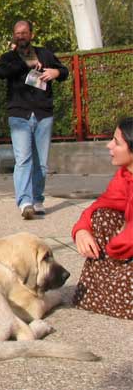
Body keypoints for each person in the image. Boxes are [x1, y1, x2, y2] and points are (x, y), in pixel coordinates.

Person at [0, 20, 69, 220]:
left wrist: (56, 72)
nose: (21, 36)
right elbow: (0, 72)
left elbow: (64, 72)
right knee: (23, 159)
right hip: (19, 115)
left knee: (41, 163)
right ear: (14, 35)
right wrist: (24, 63)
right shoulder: (9, 57)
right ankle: (25, 202)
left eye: (24, 32)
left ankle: (37, 199)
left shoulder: (45, 54)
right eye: (17, 33)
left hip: (43, 114)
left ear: (31, 35)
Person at [71, 117, 133, 320]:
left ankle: (110, 290)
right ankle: (108, 290)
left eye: (116, 142)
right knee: (101, 217)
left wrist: (111, 251)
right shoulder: (125, 175)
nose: (109, 146)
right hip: (123, 251)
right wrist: (82, 230)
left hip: (125, 248)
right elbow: (101, 205)